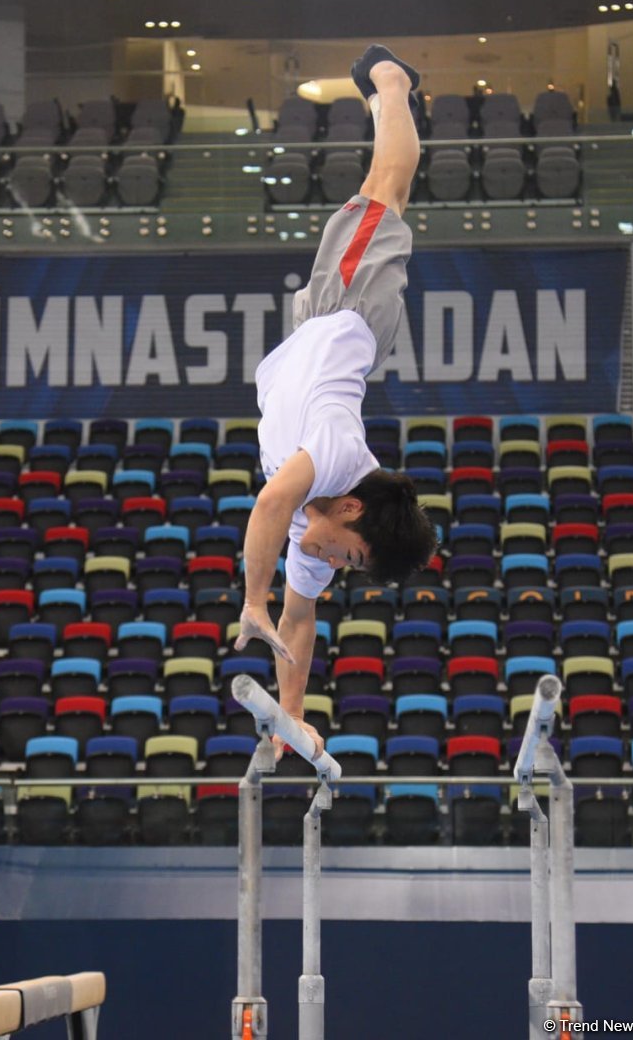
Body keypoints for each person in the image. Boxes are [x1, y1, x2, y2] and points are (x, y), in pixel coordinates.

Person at [235, 45, 438, 755]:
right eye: (351, 557)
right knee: (391, 185)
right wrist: (251, 600)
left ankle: (387, 95)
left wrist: (291, 715)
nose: (334, 563)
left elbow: (298, 623)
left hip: (322, 322)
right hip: (346, 310)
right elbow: (268, 507)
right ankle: (392, 81)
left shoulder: (312, 535)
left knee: (385, 189)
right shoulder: (334, 462)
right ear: (352, 509)